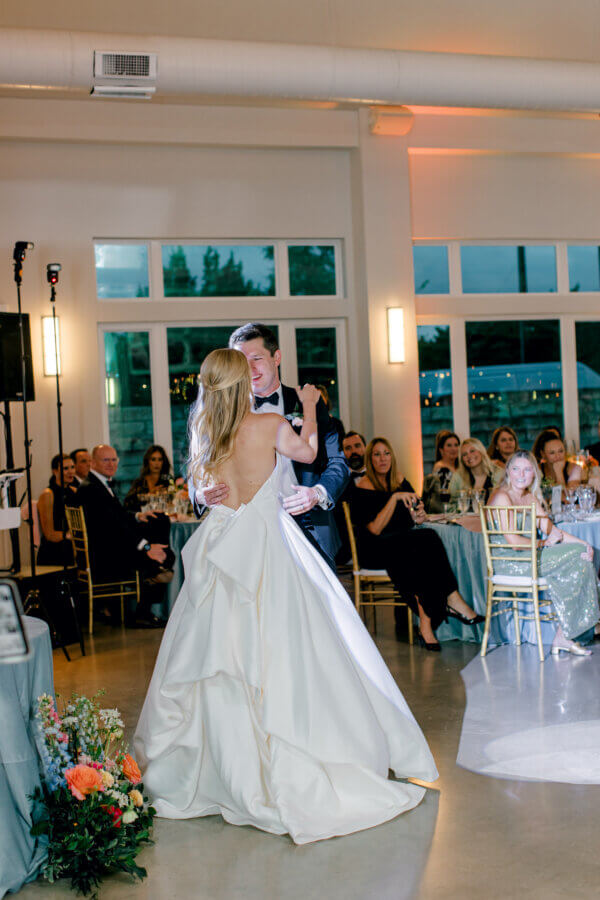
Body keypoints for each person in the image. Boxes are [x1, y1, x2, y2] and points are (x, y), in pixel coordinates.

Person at [134, 349, 437, 843]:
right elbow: (309, 453)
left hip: (219, 542)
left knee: (212, 654)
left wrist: (202, 493)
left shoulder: (206, 430)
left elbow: (200, 487)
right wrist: (312, 406)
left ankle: (214, 769)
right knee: (283, 650)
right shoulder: (270, 421)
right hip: (265, 544)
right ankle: (288, 751)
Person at [191, 323, 349, 569]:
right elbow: (197, 464)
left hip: (307, 525)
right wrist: (199, 495)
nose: (249, 369)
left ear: (277, 357)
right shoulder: (218, 416)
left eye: (256, 358)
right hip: (242, 531)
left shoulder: (308, 401)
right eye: (242, 361)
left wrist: (317, 493)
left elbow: (337, 462)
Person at [349, 437, 484, 650]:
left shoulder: (400, 480)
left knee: (422, 544)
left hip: (402, 544)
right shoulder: (362, 487)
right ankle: (451, 598)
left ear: (392, 457)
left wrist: (418, 516)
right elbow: (374, 530)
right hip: (374, 548)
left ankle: (427, 624)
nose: (383, 458)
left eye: (386, 453)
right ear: (370, 459)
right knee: (421, 543)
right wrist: (393, 499)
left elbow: (413, 517)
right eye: (377, 454)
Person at [489, 450, 598, 656]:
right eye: (516, 469)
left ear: (534, 474)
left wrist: (585, 544)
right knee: (577, 559)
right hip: (511, 561)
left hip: (530, 557)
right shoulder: (502, 496)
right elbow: (513, 543)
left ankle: (563, 634)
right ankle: (567, 634)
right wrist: (543, 543)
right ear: (508, 472)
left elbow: (553, 531)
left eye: (527, 469)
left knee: (581, 556)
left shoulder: (529, 497)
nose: (521, 474)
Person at [73, 445, 174, 628]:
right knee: (162, 553)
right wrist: (146, 547)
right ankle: (147, 599)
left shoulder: (96, 483)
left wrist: (138, 515)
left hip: (110, 544)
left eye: (114, 460)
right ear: (93, 463)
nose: (111, 464)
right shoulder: (93, 489)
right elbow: (115, 526)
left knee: (159, 519)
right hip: (106, 555)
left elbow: (116, 515)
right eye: (106, 460)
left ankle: (158, 568)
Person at [37, 454, 78, 566]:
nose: (71, 472)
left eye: (72, 467)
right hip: (53, 553)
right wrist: (70, 535)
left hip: (71, 549)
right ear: (55, 471)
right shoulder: (48, 494)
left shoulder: (74, 491)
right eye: (65, 468)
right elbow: (49, 534)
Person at [449, 438, 502, 504]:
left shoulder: (499, 473)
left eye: (472, 451)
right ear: (462, 459)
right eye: (464, 454)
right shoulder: (457, 477)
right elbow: (450, 504)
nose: (469, 456)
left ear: (481, 451)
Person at [124, 445, 173, 513]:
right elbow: (128, 504)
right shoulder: (140, 482)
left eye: (160, 459)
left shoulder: (168, 481)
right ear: (148, 461)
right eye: (153, 459)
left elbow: (173, 503)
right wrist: (149, 495)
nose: (157, 463)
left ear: (163, 462)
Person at [422, 431, 460, 513]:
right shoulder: (441, 469)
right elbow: (444, 498)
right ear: (441, 450)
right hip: (445, 513)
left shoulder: (459, 467)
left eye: (456, 445)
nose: (453, 449)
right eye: (449, 445)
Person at [316, 383, 345, 450]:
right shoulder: (307, 424)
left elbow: (341, 447)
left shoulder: (337, 423)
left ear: (326, 399)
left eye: (320, 397)